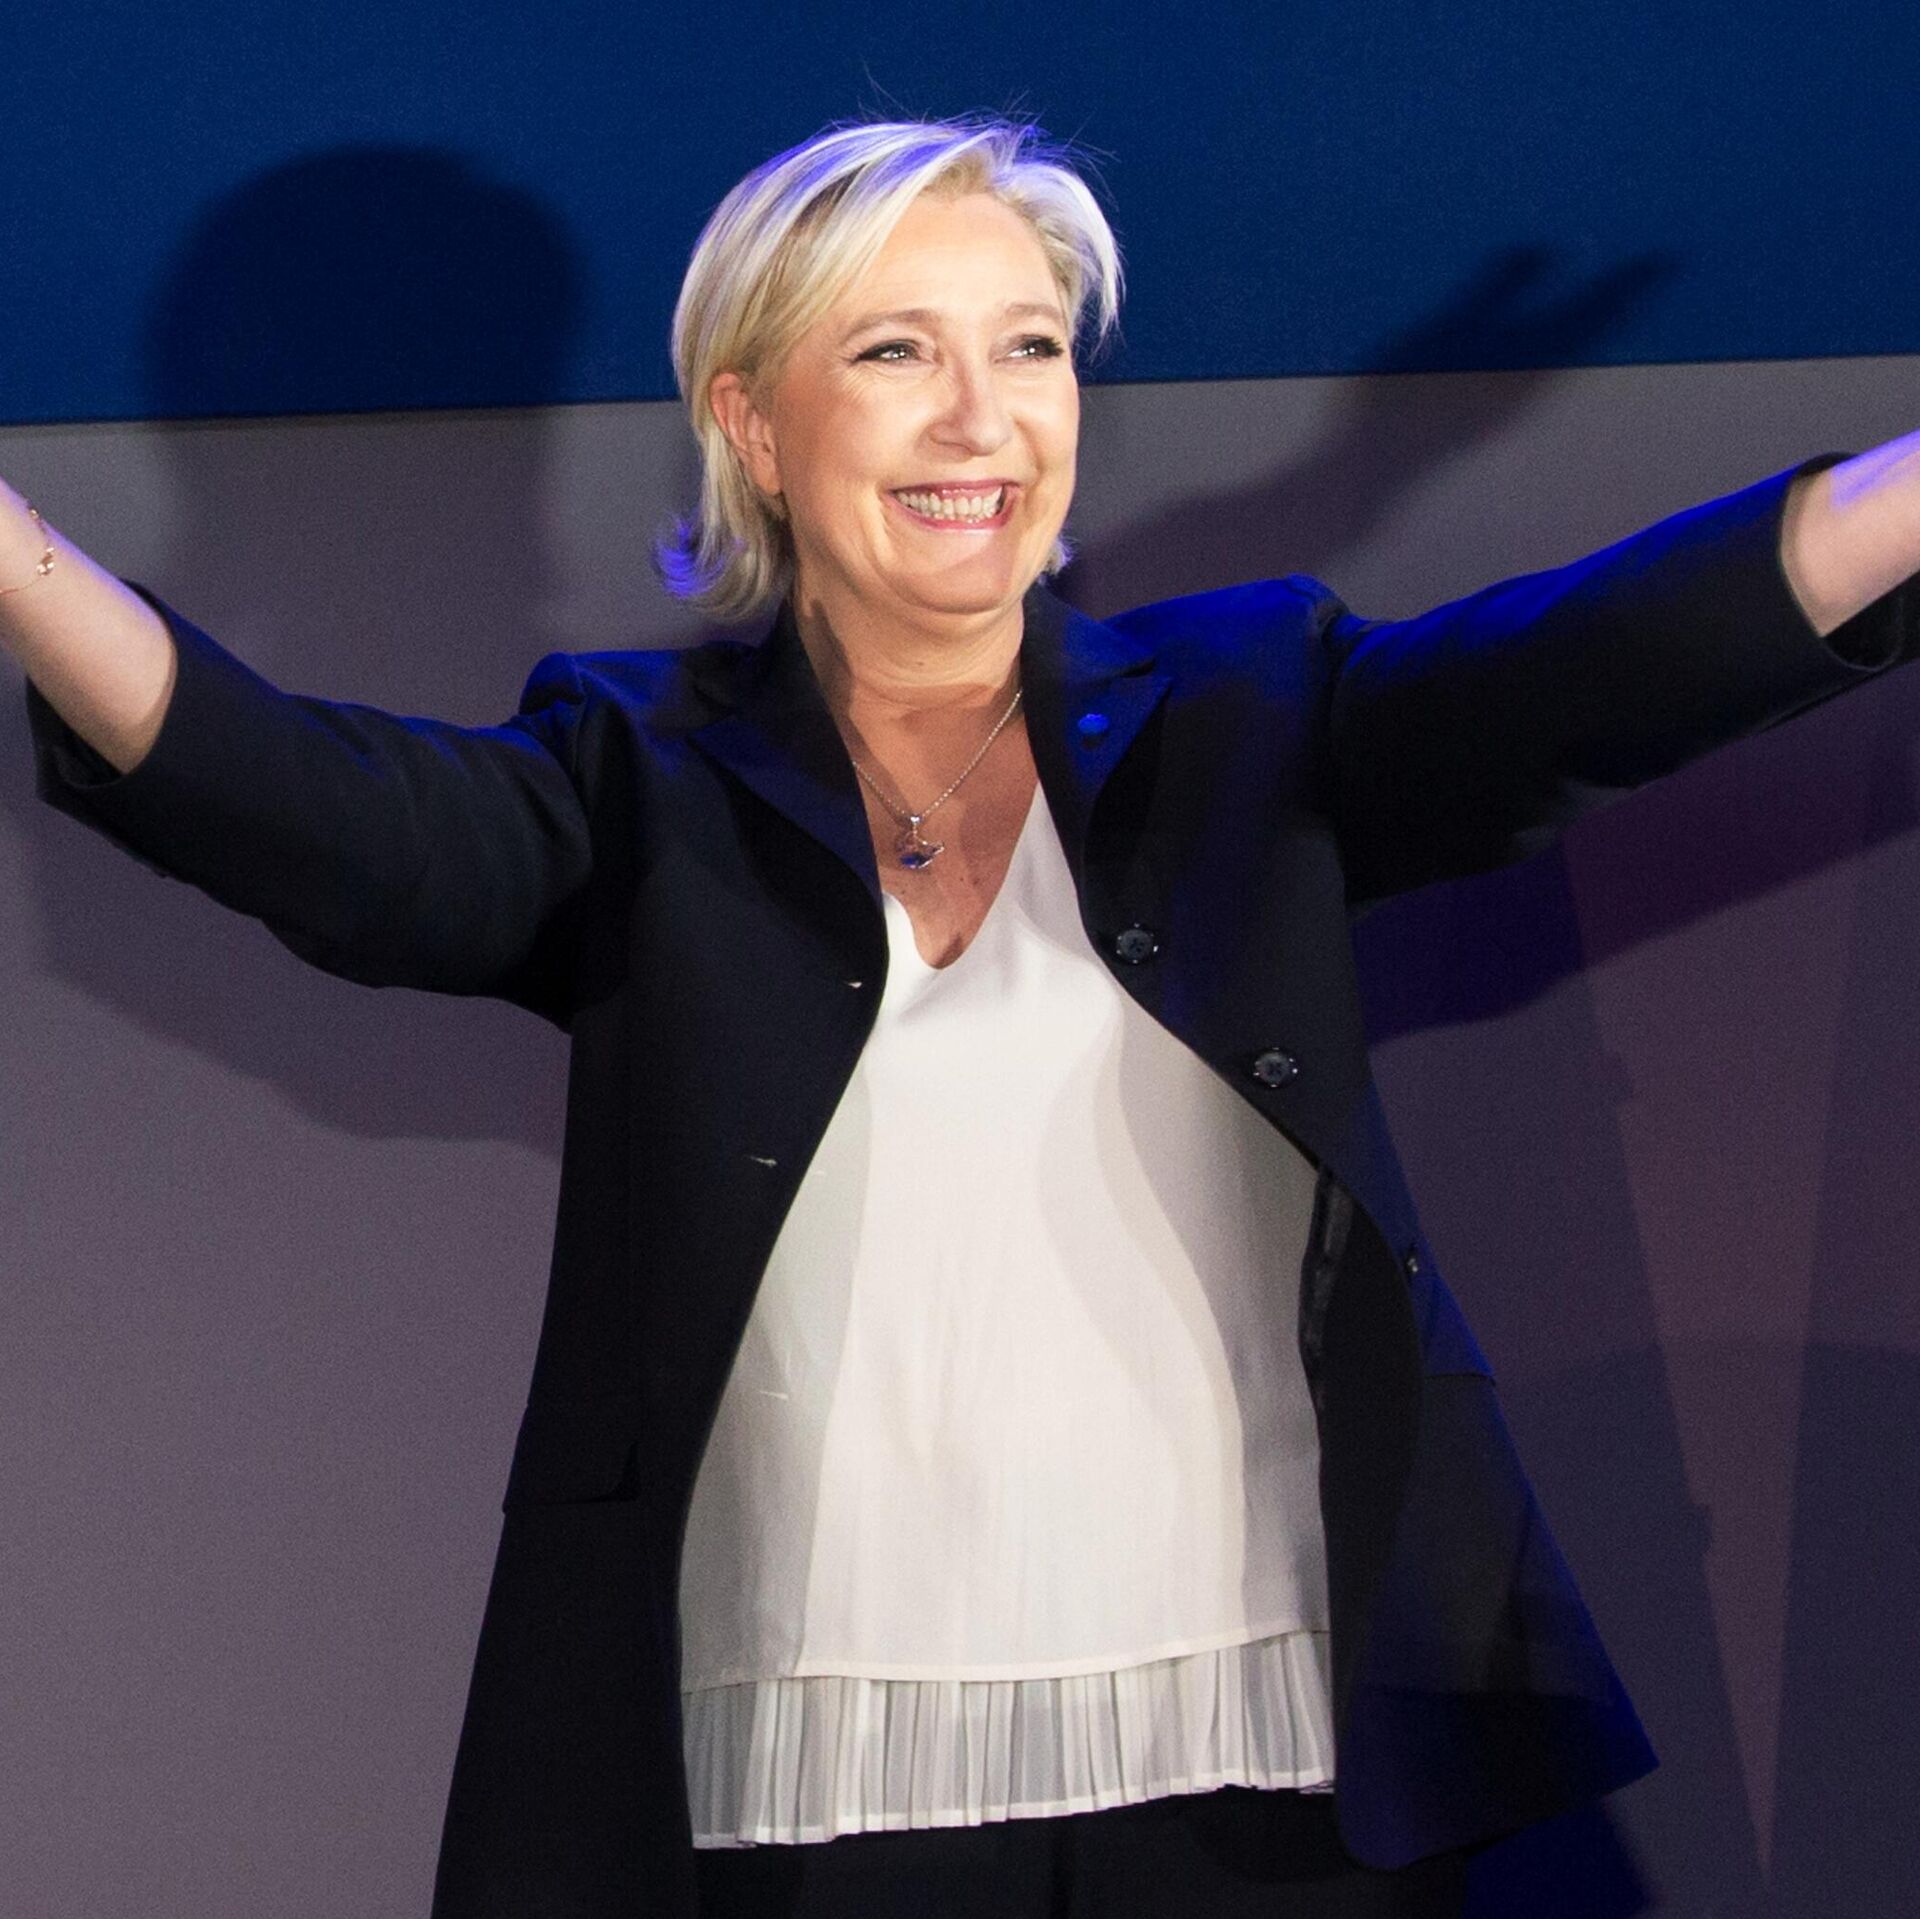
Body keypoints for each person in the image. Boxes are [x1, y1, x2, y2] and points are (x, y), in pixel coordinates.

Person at [4, 114, 1917, 1919]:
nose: (982, 416)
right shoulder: (632, 777)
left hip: (1270, 1760)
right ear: (753, 423)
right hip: (810, 1774)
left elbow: (1593, 667)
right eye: (897, 351)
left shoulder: (1251, 708)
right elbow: (322, 813)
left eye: (1030, 348)